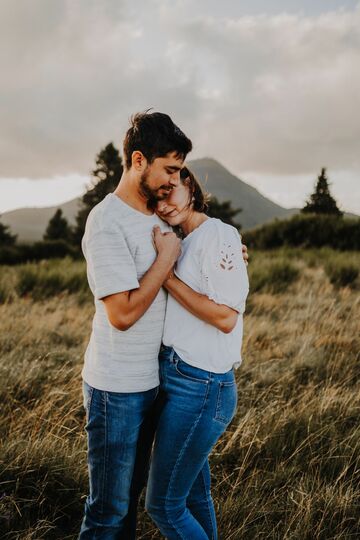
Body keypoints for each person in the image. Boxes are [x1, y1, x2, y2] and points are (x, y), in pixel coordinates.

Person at [79, 111, 192, 539]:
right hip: (116, 390)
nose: (173, 180)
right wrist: (166, 260)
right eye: (170, 169)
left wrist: (228, 257)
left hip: (155, 382)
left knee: (128, 508)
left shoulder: (159, 215)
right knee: (108, 511)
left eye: (178, 171)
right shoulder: (106, 221)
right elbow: (122, 314)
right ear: (139, 160)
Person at [145, 167, 249, 539]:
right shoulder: (183, 241)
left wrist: (167, 275)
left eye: (169, 190)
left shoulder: (219, 235)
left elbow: (224, 317)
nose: (163, 203)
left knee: (163, 506)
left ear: (190, 184)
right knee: (190, 494)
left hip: (202, 386)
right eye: (155, 197)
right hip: (181, 379)